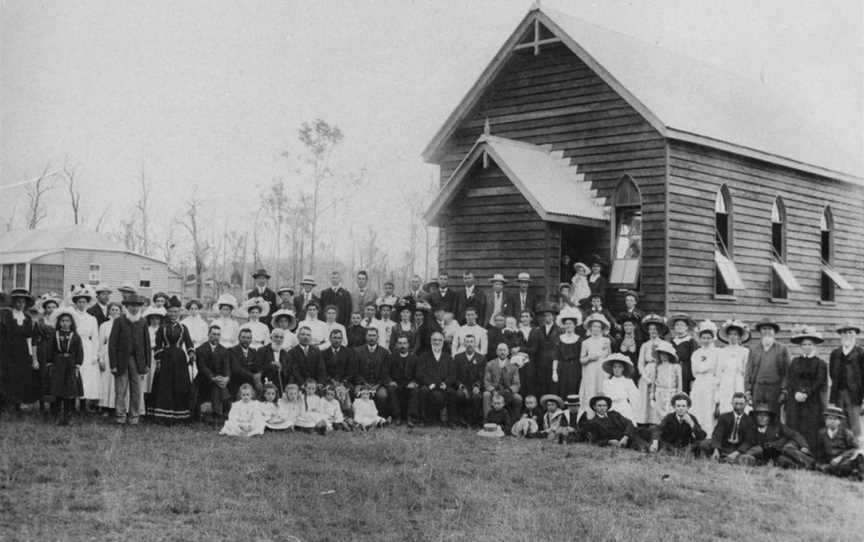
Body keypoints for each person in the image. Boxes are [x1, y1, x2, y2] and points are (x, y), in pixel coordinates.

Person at [150, 296, 196, 422]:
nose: (173, 314)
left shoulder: (183, 328)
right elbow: (158, 345)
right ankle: (163, 414)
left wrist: (191, 353)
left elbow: (189, 343)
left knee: (179, 385)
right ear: (167, 313)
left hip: (180, 359)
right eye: (170, 311)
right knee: (165, 386)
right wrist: (158, 360)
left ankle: (179, 415)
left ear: (179, 312)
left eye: (175, 312)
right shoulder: (162, 327)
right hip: (166, 359)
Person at [108, 294, 149, 425]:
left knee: (136, 390)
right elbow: (112, 344)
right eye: (131, 306)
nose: (134, 309)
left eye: (137, 306)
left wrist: (147, 363)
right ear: (126, 307)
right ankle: (120, 416)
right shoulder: (119, 321)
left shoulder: (142, 322)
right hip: (121, 361)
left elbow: (147, 344)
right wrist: (113, 364)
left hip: (137, 361)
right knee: (120, 390)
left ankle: (134, 416)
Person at [785, 325, 828, 449]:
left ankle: (809, 450)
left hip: (812, 400)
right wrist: (796, 393)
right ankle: (793, 448)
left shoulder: (821, 363)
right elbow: (791, 379)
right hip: (795, 398)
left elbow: (819, 381)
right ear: (800, 347)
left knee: (810, 424)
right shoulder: (795, 362)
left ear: (814, 346)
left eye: (810, 344)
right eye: (804, 345)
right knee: (794, 422)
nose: (807, 347)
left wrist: (806, 393)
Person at [0, 288, 38, 413]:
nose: (20, 304)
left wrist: (32, 356)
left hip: (22, 350)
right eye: (18, 301)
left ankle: (18, 403)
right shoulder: (6, 316)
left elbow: (29, 338)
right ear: (13, 302)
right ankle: (6, 403)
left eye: (22, 302)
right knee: (7, 375)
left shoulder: (27, 318)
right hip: (7, 349)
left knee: (21, 376)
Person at [745, 403, 814, 469]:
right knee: (781, 461)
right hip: (777, 454)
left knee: (787, 449)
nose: (762, 418)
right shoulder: (753, 430)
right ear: (755, 417)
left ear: (769, 418)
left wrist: (804, 446)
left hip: (788, 445)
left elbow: (794, 434)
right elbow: (750, 444)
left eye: (765, 415)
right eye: (760, 415)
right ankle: (804, 467)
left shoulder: (777, 426)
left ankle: (813, 464)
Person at [46, 308, 84, 425]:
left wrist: (78, 364)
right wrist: (50, 362)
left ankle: (68, 416)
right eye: (62, 321)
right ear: (59, 322)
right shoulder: (55, 334)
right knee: (57, 389)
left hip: (70, 365)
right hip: (58, 364)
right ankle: (55, 415)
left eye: (67, 321)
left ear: (71, 322)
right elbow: (50, 349)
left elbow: (79, 351)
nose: (65, 323)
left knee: (69, 390)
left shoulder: (75, 336)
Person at [746, 317, 790, 415]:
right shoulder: (754, 349)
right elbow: (749, 371)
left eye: (770, 329)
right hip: (758, 389)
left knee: (774, 416)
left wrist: (784, 390)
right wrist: (748, 390)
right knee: (757, 415)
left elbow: (787, 372)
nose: (767, 331)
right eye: (764, 329)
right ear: (760, 331)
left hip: (774, 388)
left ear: (774, 332)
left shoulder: (782, 349)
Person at [828, 321, 864, 437]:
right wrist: (832, 398)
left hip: (855, 394)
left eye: (850, 332)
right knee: (840, 421)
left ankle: (857, 448)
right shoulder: (835, 353)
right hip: (839, 393)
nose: (847, 335)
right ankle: (843, 448)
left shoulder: (860, 353)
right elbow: (832, 375)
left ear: (855, 335)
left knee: (854, 422)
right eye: (844, 333)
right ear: (841, 335)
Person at [699, 392, 755, 464]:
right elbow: (717, 434)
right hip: (724, 446)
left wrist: (737, 452)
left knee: (754, 450)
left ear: (745, 404)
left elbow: (748, 441)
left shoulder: (749, 421)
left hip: (738, 448)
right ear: (732, 403)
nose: (738, 407)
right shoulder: (724, 417)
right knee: (704, 443)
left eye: (741, 404)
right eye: (736, 403)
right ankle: (722, 457)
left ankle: (731, 458)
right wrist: (716, 449)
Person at [634, 314, 668, 425]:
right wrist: (645, 376)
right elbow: (640, 363)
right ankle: (645, 423)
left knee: (658, 398)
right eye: (651, 329)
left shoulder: (664, 344)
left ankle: (658, 423)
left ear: (660, 331)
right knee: (646, 399)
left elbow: (667, 362)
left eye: (655, 329)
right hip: (647, 373)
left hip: (660, 372)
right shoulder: (645, 345)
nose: (653, 331)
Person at [71, 286, 100, 411]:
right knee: (74, 374)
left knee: (86, 375)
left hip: (87, 348)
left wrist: (95, 354)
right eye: (79, 302)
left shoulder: (92, 318)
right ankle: (71, 403)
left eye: (84, 302)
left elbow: (95, 337)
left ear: (87, 303)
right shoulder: (72, 316)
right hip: (74, 346)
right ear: (76, 303)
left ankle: (83, 404)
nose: (82, 304)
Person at [581, 395, 647, 451]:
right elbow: (595, 441)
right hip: (620, 441)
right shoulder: (593, 422)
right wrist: (609, 442)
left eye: (604, 406)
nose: (602, 408)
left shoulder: (614, 414)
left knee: (651, 430)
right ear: (594, 407)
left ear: (607, 407)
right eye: (599, 406)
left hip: (628, 435)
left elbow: (629, 423)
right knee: (642, 445)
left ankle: (650, 445)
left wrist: (625, 437)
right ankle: (646, 447)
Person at [814, 406, 864, 479]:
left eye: (835, 419)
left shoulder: (846, 433)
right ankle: (849, 473)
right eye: (829, 418)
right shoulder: (822, 433)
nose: (832, 421)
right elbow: (819, 452)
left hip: (844, 460)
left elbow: (854, 448)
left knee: (859, 457)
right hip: (830, 462)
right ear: (826, 420)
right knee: (825, 468)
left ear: (839, 421)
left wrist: (840, 457)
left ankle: (855, 472)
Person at [194, 325, 230, 424]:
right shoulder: (200, 349)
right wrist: (213, 377)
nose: (216, 337)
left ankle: (218, 414)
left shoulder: (224, 350)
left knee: (218, 386)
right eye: (214, 334)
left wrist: (226, 378)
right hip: (204, 379)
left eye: (218, 335)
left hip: (219, 379)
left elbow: (226, 367)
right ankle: (217, 414)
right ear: (208, 334)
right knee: (216, 386)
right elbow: (202, 367)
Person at [578, 313, 611, 419]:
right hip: (590, 370)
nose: (596, 329)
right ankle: (589, 417)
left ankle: (603, 416)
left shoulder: (606, 341)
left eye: (598, 326)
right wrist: (589, 358)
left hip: (602, 370)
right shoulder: (586, 342)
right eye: (593, 326)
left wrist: (608, 372)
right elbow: (581, 360)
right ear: (590, 328)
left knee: (601, 390)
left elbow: (609, 357)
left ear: (601, 328)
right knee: (590, 391)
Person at [33, 292, 62, 412]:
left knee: (54, 377)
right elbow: (34, 341)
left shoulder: (60, 322)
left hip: (56, 350)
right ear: (45, 308)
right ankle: (42, 405)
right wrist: (35, 359)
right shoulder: (40, 322)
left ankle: (54, 406)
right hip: (43, 351)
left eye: (54, 307)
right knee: (43, 377)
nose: (51, 309)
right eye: (49, 307)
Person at [690, 320, 720, 436]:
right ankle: (696, 434)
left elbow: (718, 370)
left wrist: (716, 385)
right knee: (697, 408)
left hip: (711, 383)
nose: (706, 340)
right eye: (704, 338)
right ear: (700, 339)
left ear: (713, 338)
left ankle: (708, 435)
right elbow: (694, 372)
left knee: (709, 410)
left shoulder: (717, 352)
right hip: (699, 383)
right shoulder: (696, 353)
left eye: (708, 338)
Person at [417, 331, 453, 424]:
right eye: (434, 340)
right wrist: (429, 383)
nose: (437, 342)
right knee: (423, 391)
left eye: (439, 340)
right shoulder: (424, 356)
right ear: (430, 341)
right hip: (429, 385)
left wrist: (445, 383)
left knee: (452, 392)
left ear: (443, 342)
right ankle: (423, 419)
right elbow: (420, 373)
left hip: (443, 385)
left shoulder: (448, 357)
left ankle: (450, 420)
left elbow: (452, 374)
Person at [716, 320, 750, 415]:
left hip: (739, 381)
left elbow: (747, 370)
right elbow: (719, 371)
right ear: (727, 336)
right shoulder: (722, 352)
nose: (733, 337)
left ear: (739, 336)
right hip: (726, 382)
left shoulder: (745, 351)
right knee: (726, 406)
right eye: (730, 334)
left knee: (740, 404)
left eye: (735, 334)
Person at [385, 334, 420, 425]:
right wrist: (390, 381)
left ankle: (410, 417)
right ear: (396, 345)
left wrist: (414, 382)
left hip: (409, 383)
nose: (402, 346)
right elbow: (386, 373)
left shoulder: (414, 358)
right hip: (396, 383)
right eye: (400, 343)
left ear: (408, 344)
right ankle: (397, 416)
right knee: (391, 389)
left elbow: (418, 374)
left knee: (415, 390)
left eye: (404, 343)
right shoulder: (391, 357)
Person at [482, 342, 522, 417]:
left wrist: (509, 390)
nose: (502, 352)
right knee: (486, 394)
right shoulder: (490, 364)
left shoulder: (513, 365)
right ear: (497, 352)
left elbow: (517, 384)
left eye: (504, 350)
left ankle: (514, 422)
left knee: (518, 398)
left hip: (507, 391)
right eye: (500, 350)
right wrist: (493, 391)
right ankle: (487, 421)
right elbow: (486, 381)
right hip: (494, 390)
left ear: (508, 352)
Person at [96, 302, 123, 412]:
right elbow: (100, 343)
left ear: (120, 312)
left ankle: (115, 406)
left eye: (117, 309)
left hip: (119, 356)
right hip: (107, 355)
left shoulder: (123, 324)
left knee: (116, 381)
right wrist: (100, 359)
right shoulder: (104, 325)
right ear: (109, 311)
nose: (115, 312)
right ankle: (104, 407)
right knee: (106, 381)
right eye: (112, 309)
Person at [533, 302, 560, 397]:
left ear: (553, 316)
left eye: (549, 315)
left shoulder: (559, 330)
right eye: (545, 316)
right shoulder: (538, 330)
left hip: (553, 362)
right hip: (541, 362)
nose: (547, 318)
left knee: (553, 385)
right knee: (541, 385)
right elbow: (535, 348)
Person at [601, 353, 639, 421]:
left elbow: (635, 399)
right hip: (611, 409)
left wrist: (634, 414)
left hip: (624, 408)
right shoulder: (606, 382)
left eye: (619, 367)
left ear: (623, 368)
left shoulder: (628, 381)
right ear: (612, 368)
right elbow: (604, 399)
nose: (617, 369)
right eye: (615, 367)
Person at [141, 306, 165, 408]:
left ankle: (155, 403)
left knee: (156, 379)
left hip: (158, 356)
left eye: (157, 318)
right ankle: (145, 403)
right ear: (149, 319)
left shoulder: (162, 330)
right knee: (146, 379)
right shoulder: (146, 330)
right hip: (148, 355)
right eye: (152, 318)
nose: (155, 321)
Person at [552, 314, 582, 399]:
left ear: (575, 325)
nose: (568, 326)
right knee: (562, 389)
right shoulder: (559, 339)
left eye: (570, 323)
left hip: (575, 369)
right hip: (562, 368)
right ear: (564, 325)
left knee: (574, 389)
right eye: (566, 323)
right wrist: (554, 372)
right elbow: (555, 357)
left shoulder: (579, 340)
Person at [652, 341, 683, 423]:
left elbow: (679, 382)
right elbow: (653, 381)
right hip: (659, 392)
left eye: (665, 354)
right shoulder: (658, 366)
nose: (663, 356)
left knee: (670, 413)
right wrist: (652, 393)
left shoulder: (676, 366)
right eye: (661, 354)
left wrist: (679, 395)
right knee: (659, 414)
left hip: (671, 393)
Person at [668, 313, 698, 395]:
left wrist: (693, 378)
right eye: (677, 325)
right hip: (673, 370)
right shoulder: (672, 342)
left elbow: (694, 360)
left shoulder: (691, 341)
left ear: (686, 327)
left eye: (682, 325)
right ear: (674, 327)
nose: (679, 327)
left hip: (686, 370)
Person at [227, 328, 261, 397]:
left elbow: (257, 367)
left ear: (251, 339)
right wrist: (253, 376)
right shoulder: (231, 351)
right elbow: (237, 369)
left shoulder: (253, 351)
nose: (246, 340)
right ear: (239, 338)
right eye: (243, 337)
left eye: (248, 338)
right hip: (236, 386)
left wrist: (258, 377)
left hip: (250, 387)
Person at [256, 328, 289, 393]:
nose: (279, 339)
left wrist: (281, 368)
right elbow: (257, 368)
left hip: (280, 386)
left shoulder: (286, 354)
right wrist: (270, 365)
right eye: (276, 337)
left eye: (281, 337)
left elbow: (288, 371)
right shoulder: (262, 351)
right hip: (265, 384)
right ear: (271, 338)